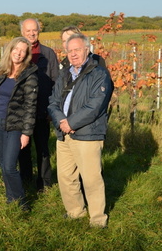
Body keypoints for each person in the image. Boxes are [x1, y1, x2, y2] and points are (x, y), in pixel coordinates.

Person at [48, 33, 113, 228]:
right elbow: (53, 102)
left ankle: (97, 219)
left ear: (87, 49)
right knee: (66, 177)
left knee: (91, 178)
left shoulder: (99, 74)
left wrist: (71, 123)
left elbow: (96, 105)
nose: (73, 54)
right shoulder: (65, 73)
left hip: (87, 134)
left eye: (77, 50)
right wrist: (61, 121)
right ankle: (75, 211)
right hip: (64, 133)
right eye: (69, 51)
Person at [0, 37, 38, 209]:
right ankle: (10, 198)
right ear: (10, 49)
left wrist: (26, 133)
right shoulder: (2, 69)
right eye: (16, 49)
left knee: (9, 165)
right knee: (3, 164)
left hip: (16, 125)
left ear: (27, 54)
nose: (18, 53)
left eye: (23, 51)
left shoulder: (30, 74)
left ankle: (21, 203)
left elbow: (31, 106)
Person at [18, 18, 59, 191]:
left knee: (42, 147)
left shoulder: (48, 54)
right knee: (23, 147)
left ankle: (45, 183)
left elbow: (57, 82)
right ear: (22, 32)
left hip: (42, 109)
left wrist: (52, 109)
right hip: (21, 111)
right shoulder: (17, 52)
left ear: (39, 31)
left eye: (34, 30)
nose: (31, 33)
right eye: (28, 31)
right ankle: (26, 179)